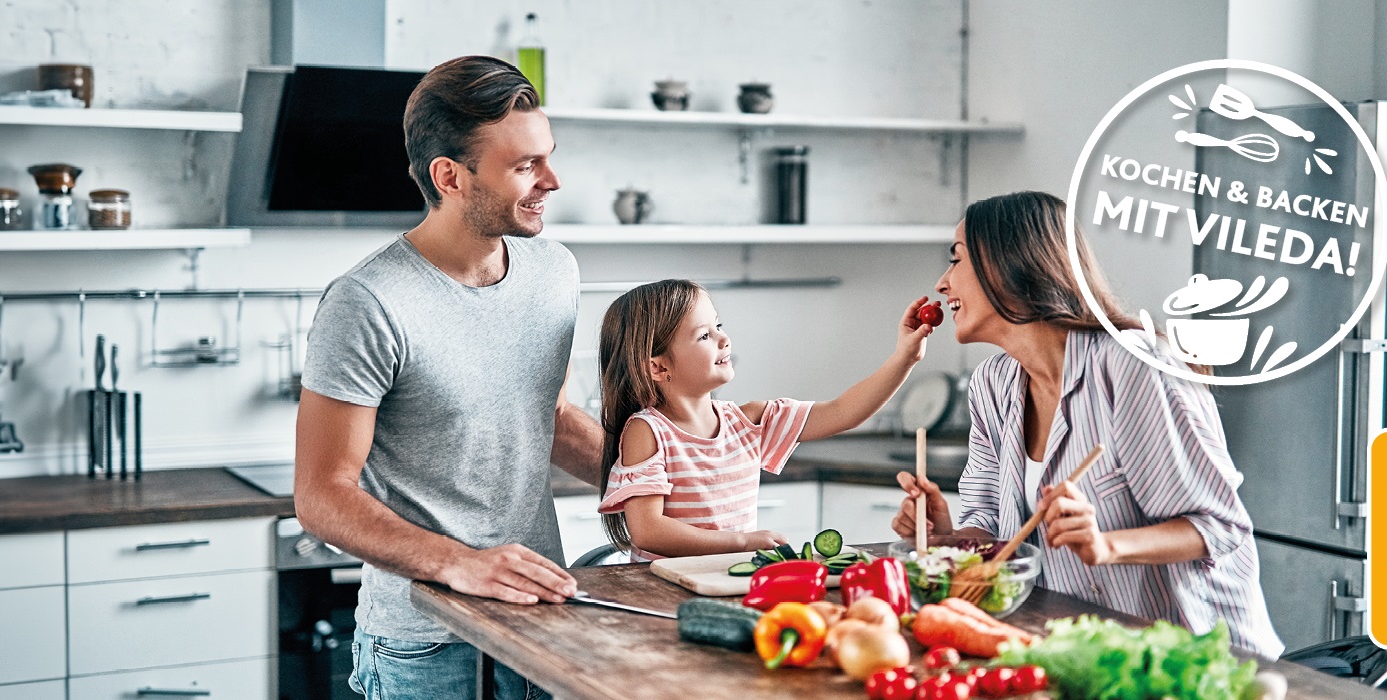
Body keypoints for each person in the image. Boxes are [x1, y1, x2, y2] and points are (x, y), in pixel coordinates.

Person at [294, 56, 604, 700]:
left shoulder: (555, 271)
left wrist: (673, 482)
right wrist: (460, 565)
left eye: (547, 157)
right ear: (449, 176)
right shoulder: (367, 302)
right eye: (525, 166)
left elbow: (548, 419)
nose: (552, 179)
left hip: (539, 619)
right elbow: (322, 494)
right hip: (424, 643)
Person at [890, 191, 1284, 659]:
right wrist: (948, 537)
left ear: (1006, 264)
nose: (942, 283)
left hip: (1197, 659)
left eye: (956, 260)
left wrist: (1106, 545)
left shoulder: (1132, 366)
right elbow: (994, 532)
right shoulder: (992, 385)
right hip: (1090, 652)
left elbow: (1218, 527)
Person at [596, 279, 933, 559]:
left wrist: (905, 357)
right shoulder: (647, 431)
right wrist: (742, 543)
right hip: (661, 588)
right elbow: (649, 531)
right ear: (658, 367)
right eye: (704, 335)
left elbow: (844, 412)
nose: (724, 339)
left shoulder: (750, 422)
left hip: (728, 583)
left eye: (719, 326)